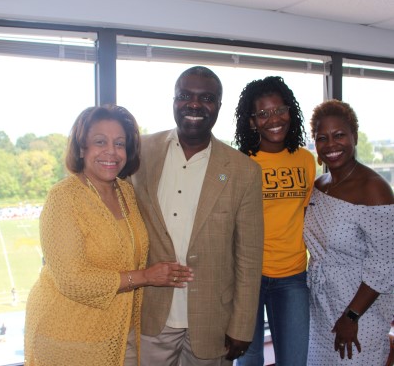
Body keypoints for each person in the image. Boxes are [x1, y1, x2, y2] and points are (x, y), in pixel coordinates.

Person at [24, 104, 194, 366]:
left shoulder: (125, 192)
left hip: (119, 330)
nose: (111, 152)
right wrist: (146, 277)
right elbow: (72, 281)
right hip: (69, 333)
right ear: (82, 149)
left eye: (119, 143)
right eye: (100, 142)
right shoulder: (64, 197)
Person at [131, 66, 264, 365]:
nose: (194, 104)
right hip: (150, 315)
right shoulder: (140, 152)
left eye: (206, 98)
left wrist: (242, 325)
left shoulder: (244, 171)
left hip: (212, 322)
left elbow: (249, 257)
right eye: (185, 96)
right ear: (174, 101)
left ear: (218, 105)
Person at [304, 99, 394, 365]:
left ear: (354, 136)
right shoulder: (320, 185)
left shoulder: (374, 189)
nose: (331, 144)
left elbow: (385, 264)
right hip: (320, 308)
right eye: (323, 138)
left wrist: (351, 316)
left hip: (358, 314)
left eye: (339, 135)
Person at [234, 76, 316, 366]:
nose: (274, 119)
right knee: (248, 359)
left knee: (295, 359)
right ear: (252, 121)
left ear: (290, 113)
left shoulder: (305, 160)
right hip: (247, 276)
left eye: (280, 110)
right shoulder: (238, 162)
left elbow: (305, 214)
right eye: (263, 113)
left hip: (293, 276)